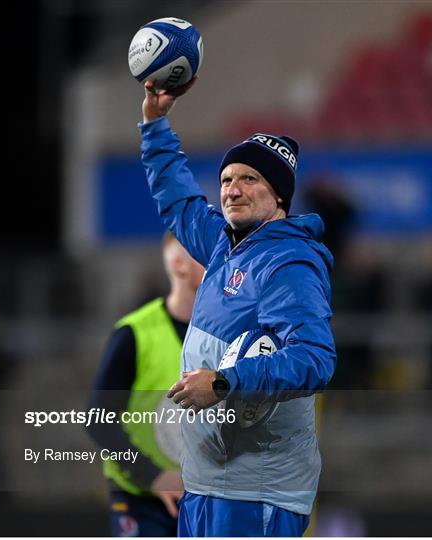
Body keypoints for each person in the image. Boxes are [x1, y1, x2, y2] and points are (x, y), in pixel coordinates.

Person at [138, 78, 337, 537]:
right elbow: (179, 200)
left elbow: (315, 359)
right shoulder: (226, 246)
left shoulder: (288, 262)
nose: (232, 189)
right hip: (207, 486)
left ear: (279, 195)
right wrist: (155, 122)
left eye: (250, 178)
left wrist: (225, 383)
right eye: (227, 179)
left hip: (255, 495)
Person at [86, 231, 204, 537]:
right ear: (179, 265)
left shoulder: (232, 337)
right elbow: (99, 421)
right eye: (205, 251)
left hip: (208, 499)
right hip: (141, 499)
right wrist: (152, 476)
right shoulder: (134, 333)